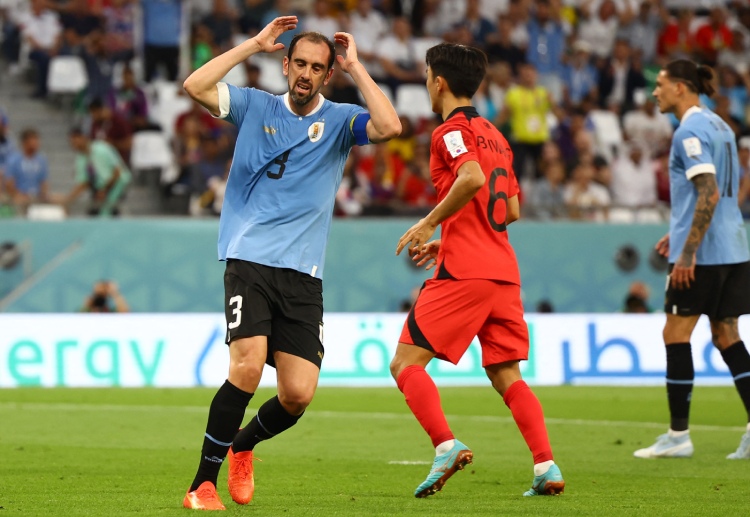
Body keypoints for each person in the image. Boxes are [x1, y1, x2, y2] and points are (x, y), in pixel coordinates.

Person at [180, 17, 400, 510]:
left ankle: (242, 445)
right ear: (284, 64)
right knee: (247, 367)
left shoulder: (342, 120)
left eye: (317, 68)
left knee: (298, 395)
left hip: (304, 274)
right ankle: (201, 485)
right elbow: (195, 85)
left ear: (327, 76)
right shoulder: (255, 104)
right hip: (250, 259)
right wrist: (252, 45)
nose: (305, 73)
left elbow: (389, 126)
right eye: (299, 63)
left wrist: (358, 68)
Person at [390, 43, 565, 499]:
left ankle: (445, 445)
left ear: (439, 82)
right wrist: (448, 236)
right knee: (507, 374)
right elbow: (511, 211)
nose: (427, 84)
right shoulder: (497, 135)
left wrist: (430, 222)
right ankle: (546, 465)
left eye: (428, 76)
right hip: (503, 272)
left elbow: (470, 179)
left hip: (464, 273)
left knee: (405, 363)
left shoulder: (450, 131)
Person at [634, 60, 750, 460]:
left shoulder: (688, 132)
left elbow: (709, 191)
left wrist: (688, 250)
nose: (655, 92)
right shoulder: (721, 126)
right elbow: (718, 191)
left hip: (703, 256)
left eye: (661, 85)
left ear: (681, 88)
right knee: (726, 336)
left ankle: (678, 436)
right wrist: (681, 228)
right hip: (735, 247)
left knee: (675, 334)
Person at [65, 128, 132, 216]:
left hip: (118, 183)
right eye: (72, 142)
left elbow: (117, 172)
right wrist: (69, 200)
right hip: (101, 187)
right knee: (93, 212)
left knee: (105, 211)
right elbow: (83, 183)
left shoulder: (102, 148)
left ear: (84, 138)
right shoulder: (80, 159)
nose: (74, 144)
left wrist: (104, 189)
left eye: (75, 141)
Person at [4, 128, 49, 210]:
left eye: (37, 140)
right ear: (25, 143)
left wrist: (44, 195)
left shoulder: (42, 160)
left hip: (36, 196)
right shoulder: (14, 160)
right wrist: (17, 195)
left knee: (59, 200)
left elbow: (43, 182)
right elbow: (9, 184)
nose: (37, 143)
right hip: (19, 195)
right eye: (34, 140)